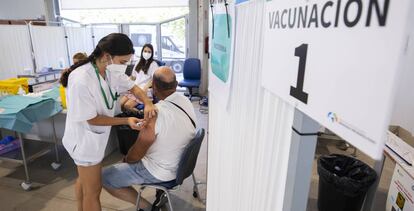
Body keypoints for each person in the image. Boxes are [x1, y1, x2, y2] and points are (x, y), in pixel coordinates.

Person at [60, 33, 157, 211]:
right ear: (106, 56)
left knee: (83, 181)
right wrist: (126, 120)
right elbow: (92, 118)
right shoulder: (81, 79)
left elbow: (133, 87)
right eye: (123, 62)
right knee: (93, 191)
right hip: (84, 142)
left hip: (94, 139)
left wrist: (148, 103)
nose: (125, 67)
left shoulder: (109, 71)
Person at [102, 66, 196, 211]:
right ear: (176, 86)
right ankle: (159, 197)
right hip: (182, 166)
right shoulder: (185, 101)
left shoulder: (154, 113)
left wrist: (126, 159)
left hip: (162, 172)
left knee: (104, 177)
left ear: (154, 88)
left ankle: (147, 207)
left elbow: (136, 154)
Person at [120, 43, 159, 112]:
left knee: (127, 106)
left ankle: (139, 114)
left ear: (152, 53)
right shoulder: (138, 62)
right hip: (134, 88)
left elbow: (154, 79)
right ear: (142, 52)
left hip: (143, 90)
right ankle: (127, 117)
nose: (146, 53)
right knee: (121, 104)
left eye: (149, 52)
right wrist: (126, 81)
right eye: (145, 51)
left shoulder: (154, 64)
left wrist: (146, 87)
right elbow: (133, 77)